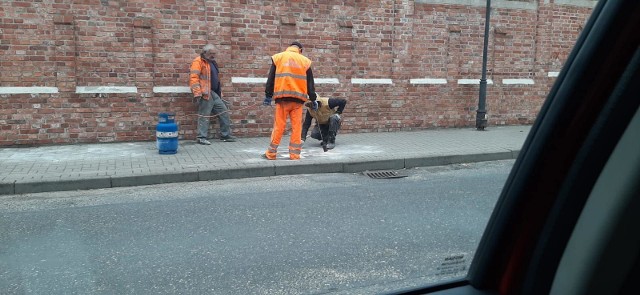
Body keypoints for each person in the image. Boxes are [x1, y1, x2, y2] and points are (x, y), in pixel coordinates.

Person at [262, 41, 317, 160]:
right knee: (297, 128)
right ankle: (295, 154)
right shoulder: (305, 61)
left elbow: (271, 78)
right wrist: (313, 99)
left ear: (289, 48)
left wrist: (268, 95)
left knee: (279, 126)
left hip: (282, 100)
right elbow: (310, 83)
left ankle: (271, 154)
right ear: (300, 50)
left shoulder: (279, 57)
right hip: (298, 101)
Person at [189, 44, 236, 144]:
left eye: (214, 53)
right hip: (205, 93)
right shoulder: (198, 61)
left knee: (223, 112)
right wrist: (197, 93)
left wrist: (220, 93)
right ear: (205, 52)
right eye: (211, 54)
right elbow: (194, 77)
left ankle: (225, 135)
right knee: (204, 115)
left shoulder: (212, 62)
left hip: (214, 93)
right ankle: (201, 137)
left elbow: (215, 80)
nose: (213, 55)